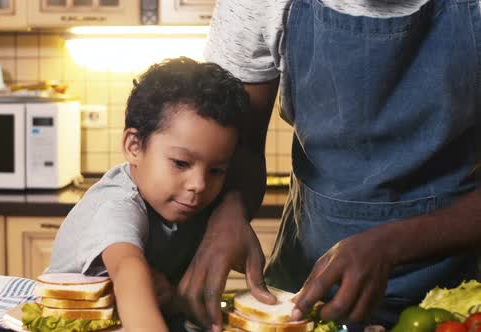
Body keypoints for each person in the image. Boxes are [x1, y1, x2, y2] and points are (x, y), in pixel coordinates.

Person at [177, 0, 481, 331]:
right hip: (304, 289)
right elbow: (240, 142)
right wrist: (228, 213)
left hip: (457, 299)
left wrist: (392, 244)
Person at [47, 57, 249, 331]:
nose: (199, 184)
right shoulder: (117, 203)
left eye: (216, 170)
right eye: (180, 163)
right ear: (134, 146)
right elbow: (128, 270)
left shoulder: (189, 202)